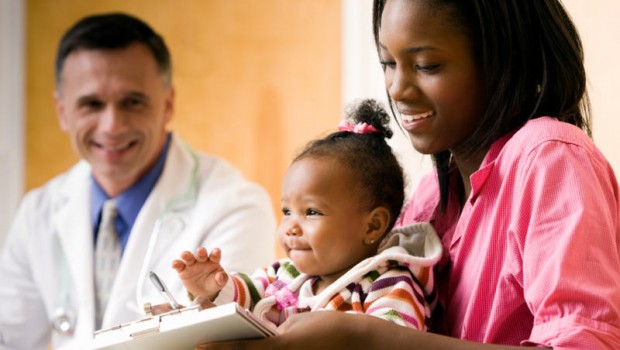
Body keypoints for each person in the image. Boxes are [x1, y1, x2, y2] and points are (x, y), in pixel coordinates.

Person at [195, 0, 620, 349]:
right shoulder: (431, 198)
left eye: (427, 65)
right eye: (388, 63)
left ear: (502, 60)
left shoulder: (551, 158)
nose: (397, 88)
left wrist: (371, 339)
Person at [0, 12, 276, 350]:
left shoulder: (236, 207)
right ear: (62, 112)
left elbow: (220, 345)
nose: (112, 125)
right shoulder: (37, 212)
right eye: (91, 104)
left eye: (133, 102)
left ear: (168, 104)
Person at [173, 99, 442, 331]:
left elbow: (395, 339)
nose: (291, 226)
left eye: (311, 212)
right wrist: (214, 288)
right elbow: (245, 298)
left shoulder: (389, 285)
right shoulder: (285, 275)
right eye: (287, 211)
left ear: (372, 226)